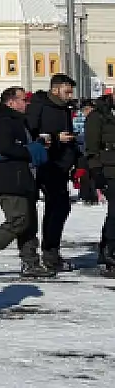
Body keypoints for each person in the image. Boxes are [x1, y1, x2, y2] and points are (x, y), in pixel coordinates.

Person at [0, 86, 52, 279]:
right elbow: (4, 147)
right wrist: (29, 150)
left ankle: (30, 262)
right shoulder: (4, 120)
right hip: (8, 178)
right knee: (19, 219)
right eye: (23, 100)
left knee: (29, 220)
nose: (27, 103)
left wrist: (37, 144)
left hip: (23, 177)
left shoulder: (19, 121)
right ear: (11, 102)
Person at [26, 74, 80, 273]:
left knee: (60, 208)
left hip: (61, 165)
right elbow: (31, 133)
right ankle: (43, 254)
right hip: (44, 164)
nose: (70, 95)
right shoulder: (39, 106)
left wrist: (74, 159)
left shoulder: (65, 109)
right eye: (67, 91)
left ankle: (51, 251)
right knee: (48, 209)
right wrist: (56, 138)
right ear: (55, 89)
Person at [83, 88, 115, 275]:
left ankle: (106, 251)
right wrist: (96, 171)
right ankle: (110, 251)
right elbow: (91, 147)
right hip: (109, 169)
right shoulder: (98, 115)